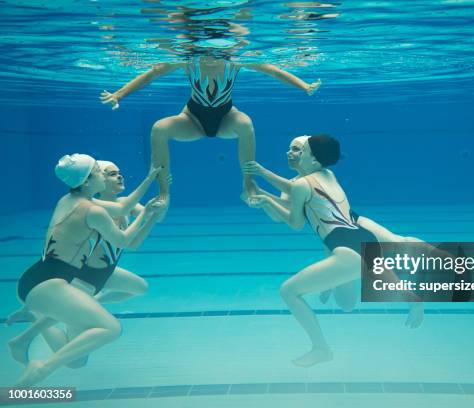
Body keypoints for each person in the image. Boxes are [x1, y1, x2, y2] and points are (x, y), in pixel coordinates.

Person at [242, 135, 430, 367]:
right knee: (347, 304)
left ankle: (321, 349)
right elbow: (289, 203)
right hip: (357, 239)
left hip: (346, 247)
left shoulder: (300, 184)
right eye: (290, 148)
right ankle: (415, 298)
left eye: (299, 149)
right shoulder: (326, 174)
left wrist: (263, 179)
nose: (291, 153)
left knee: (289, 291)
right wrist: (263, 198)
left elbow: (295, 221)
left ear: (313, 157)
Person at [8, 154, 165, 386]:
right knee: (110, 328)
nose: (105, 174)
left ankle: (29, 333)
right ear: (88, 180)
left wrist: (151, 179)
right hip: (52, 282)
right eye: (100, 172)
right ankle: (42, 368)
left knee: (84, 351)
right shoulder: (94, 211)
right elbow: (123, 241)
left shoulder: (69, 199)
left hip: (36, 277)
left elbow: (123, 205)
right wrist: (145, 213)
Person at [100, 54, 321, 202]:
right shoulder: (188, 60)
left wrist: (303, 86)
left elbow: (273, 71)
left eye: (218, 50)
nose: (212, 56)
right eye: (207, 50)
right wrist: (119, 94)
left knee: (245, 124)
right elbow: (153, 73)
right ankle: (164, 191)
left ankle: (249, 184)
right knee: (159, 128)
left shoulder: (236, 60)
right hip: (192, 119)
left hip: (227, 117)